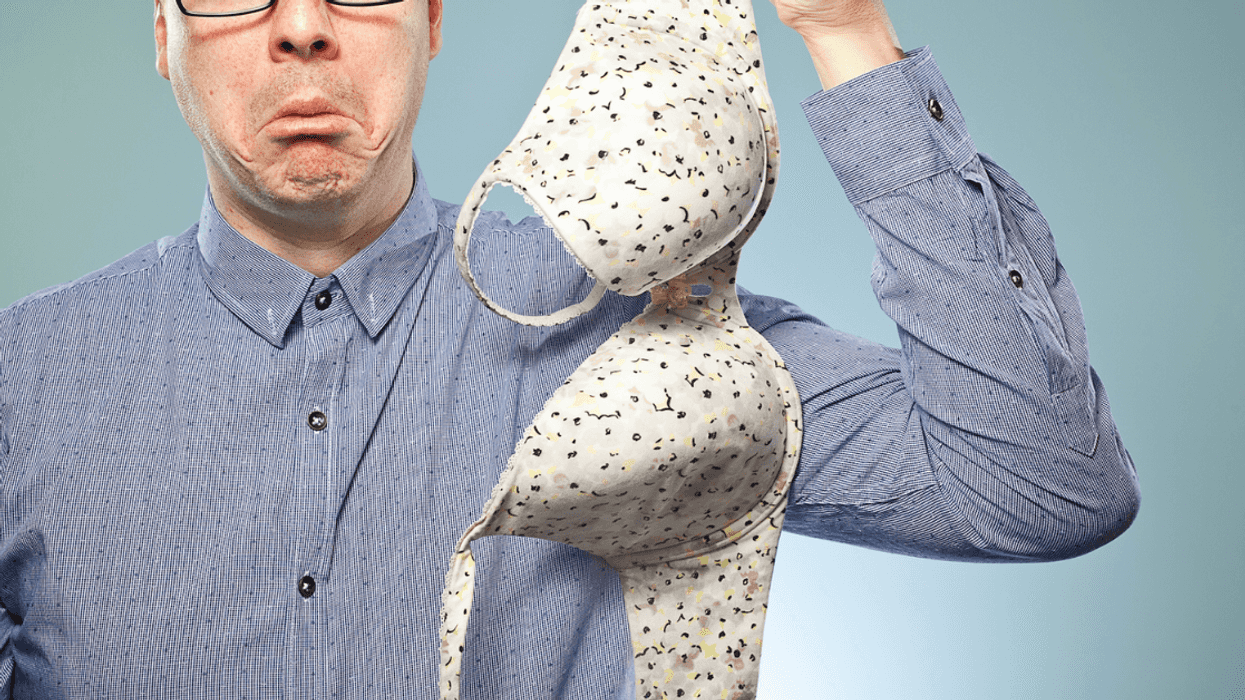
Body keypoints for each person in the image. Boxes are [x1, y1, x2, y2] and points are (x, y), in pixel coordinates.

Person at [0, 0, 1139, 697]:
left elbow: (1039, 489)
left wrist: (846, 33)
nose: (303, 23)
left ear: (432, 20)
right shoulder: (22, 383)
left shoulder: (641, 324)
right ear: (163, 29)